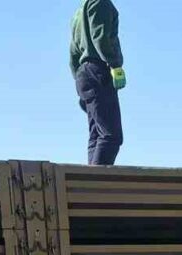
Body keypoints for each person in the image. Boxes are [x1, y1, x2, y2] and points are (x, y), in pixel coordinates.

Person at [70, 0, 126, 165]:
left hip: (83, 73)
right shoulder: (100, 3)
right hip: (98, 69)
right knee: (111, 136)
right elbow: (100, 37)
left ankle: (89, 183)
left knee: (96, 136)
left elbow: (73, 53)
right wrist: (115, 64)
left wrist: (80, 86)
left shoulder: (78, 13)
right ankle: (93, 187)